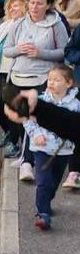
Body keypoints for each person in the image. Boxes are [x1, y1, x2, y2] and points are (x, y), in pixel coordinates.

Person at [3, 0, 70, 181]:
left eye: (39, 3)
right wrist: (19, 49)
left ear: (48, 5)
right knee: (19, 117)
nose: (34, 6)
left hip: (43, 77)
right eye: (32, 2)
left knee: (33, 118)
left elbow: (64, 51)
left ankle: (27, 163)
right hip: (18, 75)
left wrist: (41, 53)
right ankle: (26, 156)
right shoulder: (18, 24)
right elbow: (7, 50)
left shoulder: (56, 25)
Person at [23, 64, 80, 230]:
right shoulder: (40, 100)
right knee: (44, 181)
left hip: (64, 150)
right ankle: (43, 214)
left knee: (54, 182)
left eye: (57, 80)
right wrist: (36, 134)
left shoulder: (76, 104)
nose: (51, 83)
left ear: (69, 83)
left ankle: (46, 201)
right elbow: (27, 118)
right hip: (42, 148)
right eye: (49, 79)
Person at [0, 0, 29, 158]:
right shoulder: (4, 26)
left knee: (12, 109)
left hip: (17, 73)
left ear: (25, 8)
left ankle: (14, 142)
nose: (12, 9)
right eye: (11, 7)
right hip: (2, 71)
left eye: (16, 6)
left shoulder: (28, 27)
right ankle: (9, 132)